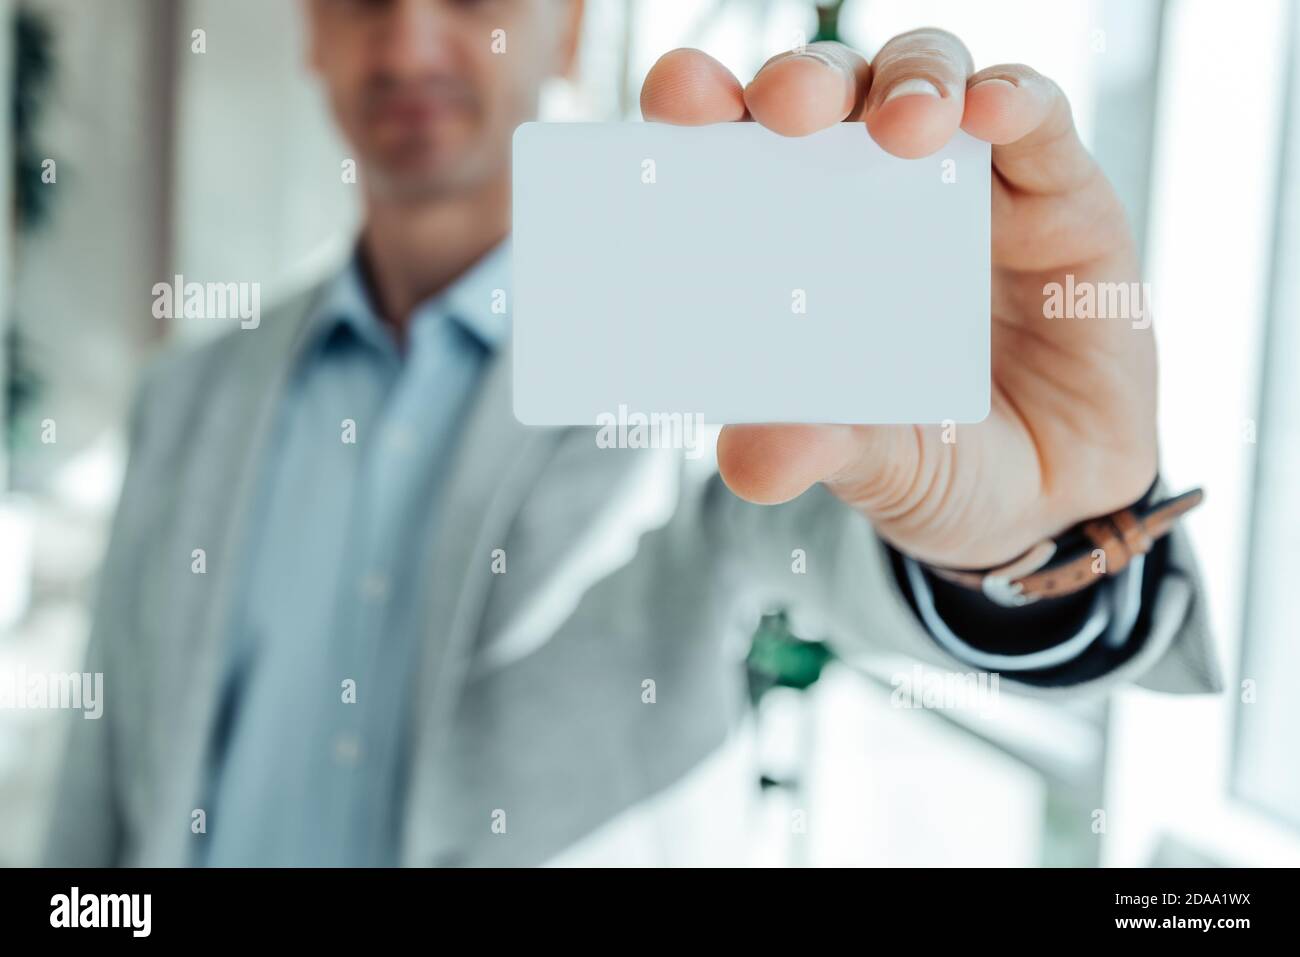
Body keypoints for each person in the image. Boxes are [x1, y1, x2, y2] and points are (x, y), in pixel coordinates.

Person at [45, 0, 1219, 867]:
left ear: (565, 32)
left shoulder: (708, 361)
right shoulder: (186, 399)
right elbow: (98, 808)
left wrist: (1041, 538)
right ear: (310, 33)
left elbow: (840, 546)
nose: (407, 45)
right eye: (362, 1)